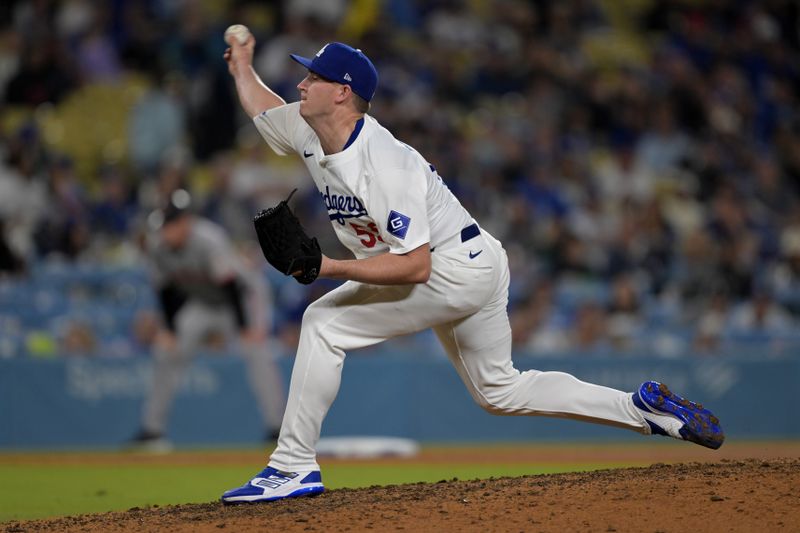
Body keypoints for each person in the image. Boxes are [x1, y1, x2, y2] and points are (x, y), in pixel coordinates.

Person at [220, 37, 724, 503]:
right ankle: (642, 410)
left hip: (450, 270)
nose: (302, 84)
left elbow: (416, 266)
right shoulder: (308, 127)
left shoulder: (385, 161)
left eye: (314, 77)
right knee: (499, 391)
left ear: (342, 94)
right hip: (476, 259)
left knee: (323, 324)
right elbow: (264, 108)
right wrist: (243, 67)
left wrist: (326, 266)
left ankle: (292, 465)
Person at [130, 189, 286, 451]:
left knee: (258, 353)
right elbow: (165, 289)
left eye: (171, 225)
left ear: (185, 223)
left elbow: (232, 285)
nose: (166, 232)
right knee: (165, 352)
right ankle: (151, 430)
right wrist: (170, 329)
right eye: (163, 226)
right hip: (202, 303)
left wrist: (247, 328)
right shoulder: (158, 246)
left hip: (243, 299)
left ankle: (277, 428)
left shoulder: (208, 239)